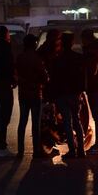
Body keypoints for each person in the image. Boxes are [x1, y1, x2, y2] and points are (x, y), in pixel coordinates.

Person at [51, 32, 87, 158]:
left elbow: (53, 79)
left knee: (67, 122)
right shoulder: (78, 58)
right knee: (77, 120)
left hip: (61, 94)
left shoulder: (57, 59)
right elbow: (83, 77)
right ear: (72, 43)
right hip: (74, 94)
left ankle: (72, 150)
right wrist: (81, 91)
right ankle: (81, 150)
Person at [16, 34, 48, 158]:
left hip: (23, 93)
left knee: (22, 122)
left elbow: (17, 74)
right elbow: (44, 77)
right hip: (36, 93)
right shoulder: (37, 58)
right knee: (36, 124)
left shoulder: (20, 57)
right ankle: (36, 151)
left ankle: (20, 150)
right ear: (34, 44)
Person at [37, 28, 62, 157]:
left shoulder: (43, 50)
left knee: (48, 119)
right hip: (50, 90)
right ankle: (48, 145)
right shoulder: (51, 52)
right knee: (49, 119)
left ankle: (50, 145)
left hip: (48, 89)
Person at [0, 25, 16, 157]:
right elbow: (8, 66)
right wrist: (13, 79)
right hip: (3, 86)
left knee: (0, 116)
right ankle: (1, 147)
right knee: (4, 116)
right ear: (5, 34)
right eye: (8, 34)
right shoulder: (5, 48)